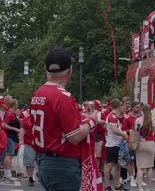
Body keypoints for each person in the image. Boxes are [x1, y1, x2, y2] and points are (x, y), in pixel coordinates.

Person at [29, 48, 97, 191]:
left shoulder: (38, 93)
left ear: (46, 70)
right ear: (69, 70)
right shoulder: (62, 96)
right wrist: (91, 121)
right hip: (62, 163)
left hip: (44, 160)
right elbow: (75, 137)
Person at [103, 98, 129, 191]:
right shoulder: (113, 116)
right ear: (119, 106)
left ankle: (117, 185)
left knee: (118, 165)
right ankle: (107, 186)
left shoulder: (114, 116)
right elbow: (114, 130)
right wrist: (124, 134)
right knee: (109, 165)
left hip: (117, 144)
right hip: (112, 144)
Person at [134, 104, 155, 191]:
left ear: (142, 110)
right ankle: (148, 188)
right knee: (149, 167)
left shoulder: (138, 120)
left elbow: (135, 131)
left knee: (140, 167)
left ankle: (140, 188)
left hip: (140, 143)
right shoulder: (152, 120)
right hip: (150, 143)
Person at [1, 99, 21, 182]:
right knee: (9, 155)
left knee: (9, 155)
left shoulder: (11, 113)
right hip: (10, 137)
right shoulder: (10, 114)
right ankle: (7, 175)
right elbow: (3, 125)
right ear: (15, 105)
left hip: (11, 137)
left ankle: (7, 175)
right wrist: (15, 129)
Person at [123, 102, 141, 187]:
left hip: (139, 141)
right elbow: (123, 130)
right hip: (130, 141)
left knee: (139, 160)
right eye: (137, 107)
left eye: (139, 107)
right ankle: (131, 179)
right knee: (130, 161)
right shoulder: (127, 117)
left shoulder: (140, 117)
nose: (138, 109)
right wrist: (131, 131)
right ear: (133, 108)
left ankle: (138, 178)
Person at [20, 114, 36, 186]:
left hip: (41, 145)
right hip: (29, 144)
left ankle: (41, 175)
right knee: (29, 161)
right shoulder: (26, 119)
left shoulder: (43, 117)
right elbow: (22, 130)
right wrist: (21, 140)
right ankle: (30, 178)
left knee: (42, 162)